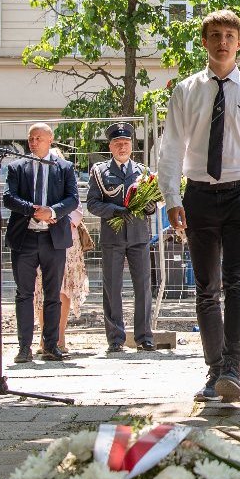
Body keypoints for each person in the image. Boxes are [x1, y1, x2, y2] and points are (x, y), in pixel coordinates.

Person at [159, 11, 240, 401]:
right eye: (215, 35)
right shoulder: (186, 91)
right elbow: (172, 147)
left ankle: (233, 368)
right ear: (205, 42)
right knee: (206, 286)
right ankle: (214, 371)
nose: (222, 42)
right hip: (199, 194)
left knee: (238, 282)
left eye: (229, 35)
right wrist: (172, 198)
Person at [4, 123, 80, 362]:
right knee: (24, 294)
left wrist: (53, 212)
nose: (33, 142)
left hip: (53, 238)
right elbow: (8, 197)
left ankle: (51, 345)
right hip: (24, 238)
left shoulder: (64, 167)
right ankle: (24, 348)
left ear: (50, 140)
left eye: (39, 138)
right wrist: (33, 210)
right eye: (31, 138)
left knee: (52, 293)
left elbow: (73, 199)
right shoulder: (17, 166)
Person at [89, 121, 158, 353]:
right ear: (110, 146)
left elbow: (152, 204)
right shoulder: (100, 172)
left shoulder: (142, 172)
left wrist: (148, 206)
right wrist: (114, 211)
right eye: (117, 143)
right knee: (112, 288)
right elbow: (92, 203)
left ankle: (144, 337)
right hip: (113, 235)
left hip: (138, 235)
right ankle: (116, 339)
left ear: (132, 146)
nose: (122, 147)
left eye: (126, 143)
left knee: (143, 287)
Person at [33, 150, 90, 356]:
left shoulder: (68, 181)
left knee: (63, 289)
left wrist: (55, 217)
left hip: (67, 244)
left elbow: (76, 210)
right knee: (42, 289)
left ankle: (59, 336)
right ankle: (43, 337)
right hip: (40, 239)